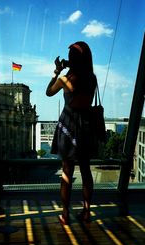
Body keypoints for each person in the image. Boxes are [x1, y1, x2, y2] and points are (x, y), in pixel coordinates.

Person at [46, 41, 97, 225]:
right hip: (86, 126)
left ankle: (65, 213)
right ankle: (87, 212)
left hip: (68, 126)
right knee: (86, 171)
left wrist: (57, 71)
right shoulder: (92, 78)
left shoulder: (65, 80)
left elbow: (48, 93)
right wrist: (71, 65)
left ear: (73, 59)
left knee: (67, 172)